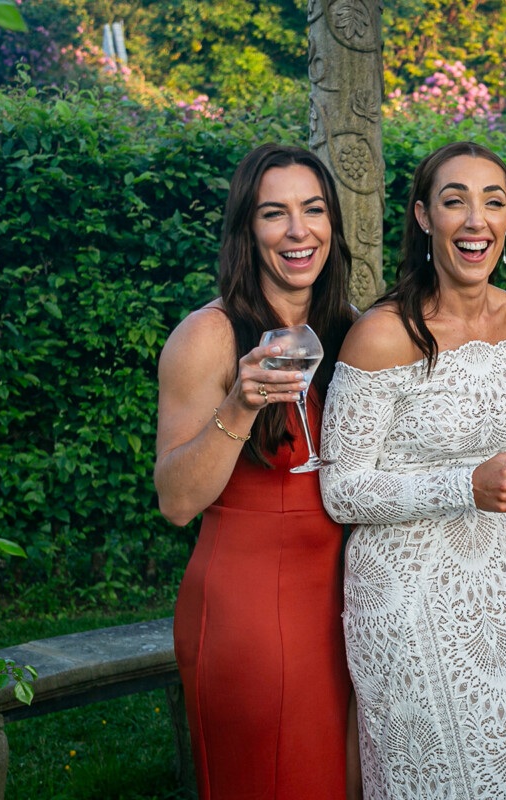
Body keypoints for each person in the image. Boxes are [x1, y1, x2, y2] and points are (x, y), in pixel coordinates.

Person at [319, 142, 506, 800]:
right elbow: (342, 490)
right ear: (424, 217)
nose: (475, 219)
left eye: (492, 201)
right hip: (403, 593)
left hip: (504, 581)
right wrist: (464, 486)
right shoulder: (381, 334)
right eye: (455, 200)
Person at [154, 143, 359, 799]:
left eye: (314, 209)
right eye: (275, 214)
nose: (299, 231)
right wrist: (240, 405)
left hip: (349, 607)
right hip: (251, 609)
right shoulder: (208, 335)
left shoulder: (353, 331)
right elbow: (177, 500)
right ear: (247, 229)